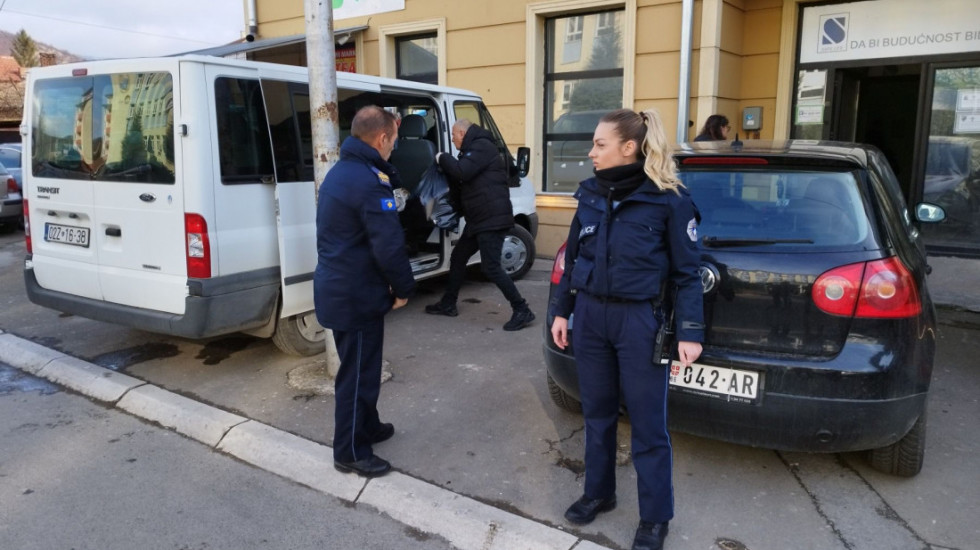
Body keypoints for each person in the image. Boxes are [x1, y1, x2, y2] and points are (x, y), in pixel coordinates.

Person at [549, 108, 704, 550]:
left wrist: (690, 332)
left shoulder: (669, 200)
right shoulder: (592, 195)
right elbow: (574, 260)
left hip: (640, 321)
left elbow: (687, 274)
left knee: (648, 426)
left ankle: (655, 517)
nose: (591, 152)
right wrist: (563, 312)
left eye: (600, 144)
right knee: (596, 413)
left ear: (628, 148)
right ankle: (599, 492)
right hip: (592, 318)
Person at [314, 105, 416, 478]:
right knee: (357, 376)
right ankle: (350, 451)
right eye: (394, 140)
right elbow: (387, 245)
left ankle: (367, 427)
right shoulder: (369, 181)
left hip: (342, 289)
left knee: (364, 369)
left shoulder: (342, 172)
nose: (394, 148)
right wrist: (405, 288)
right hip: (354, 295)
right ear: (382, 138)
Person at [424, 119, 535, 331]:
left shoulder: (483, 147)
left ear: (463, 133)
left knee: (491, 267)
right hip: (479, 219)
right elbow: (463, 181)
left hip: (491, 219)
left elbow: (462, 172)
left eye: (454, 135)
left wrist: (441, 157)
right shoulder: (471, 151)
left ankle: (522, 310)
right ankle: (448, 303)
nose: (452, 139)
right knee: (458, 258)